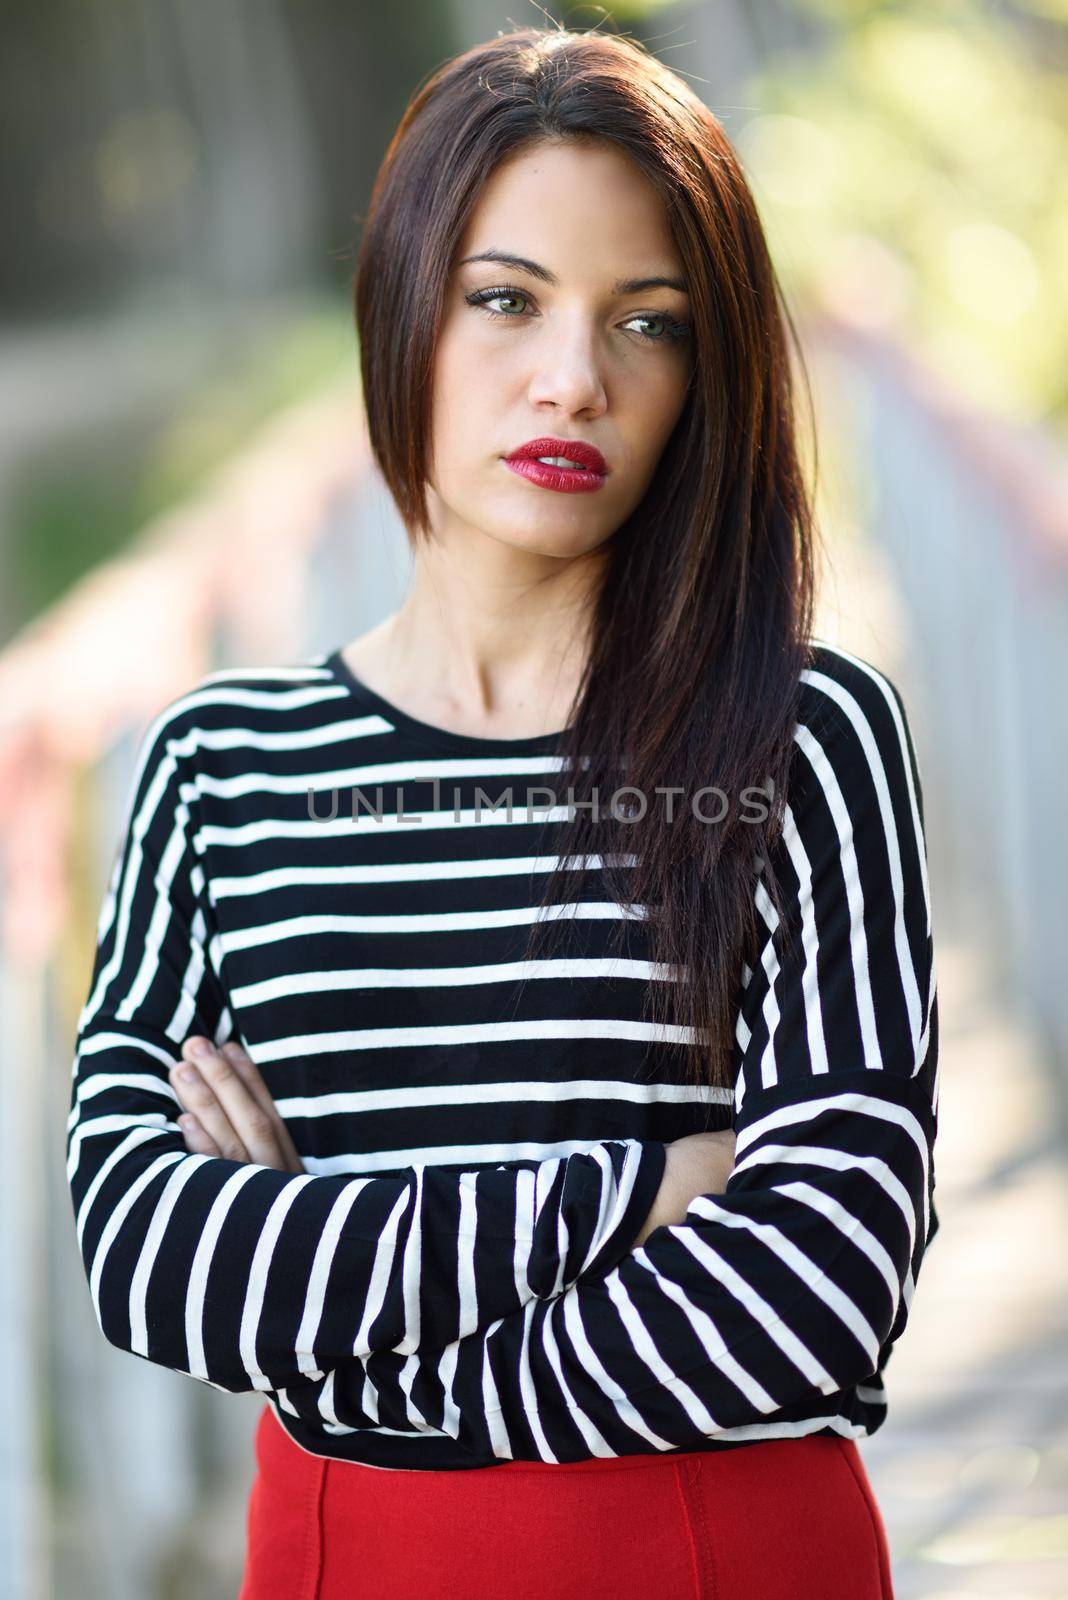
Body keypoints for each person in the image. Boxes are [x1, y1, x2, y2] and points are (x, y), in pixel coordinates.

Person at [66, 25, 939, 1599]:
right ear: (402, 304)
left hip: (712, 1552)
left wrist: (351, 1339)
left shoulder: (798, 736)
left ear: (706, 372)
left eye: (647, 324)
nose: (574, 379)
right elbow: (150, 1257)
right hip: (341, 1559)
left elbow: (825, 1275)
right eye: (506, 299)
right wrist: (646, 1183)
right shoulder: (218, 773)